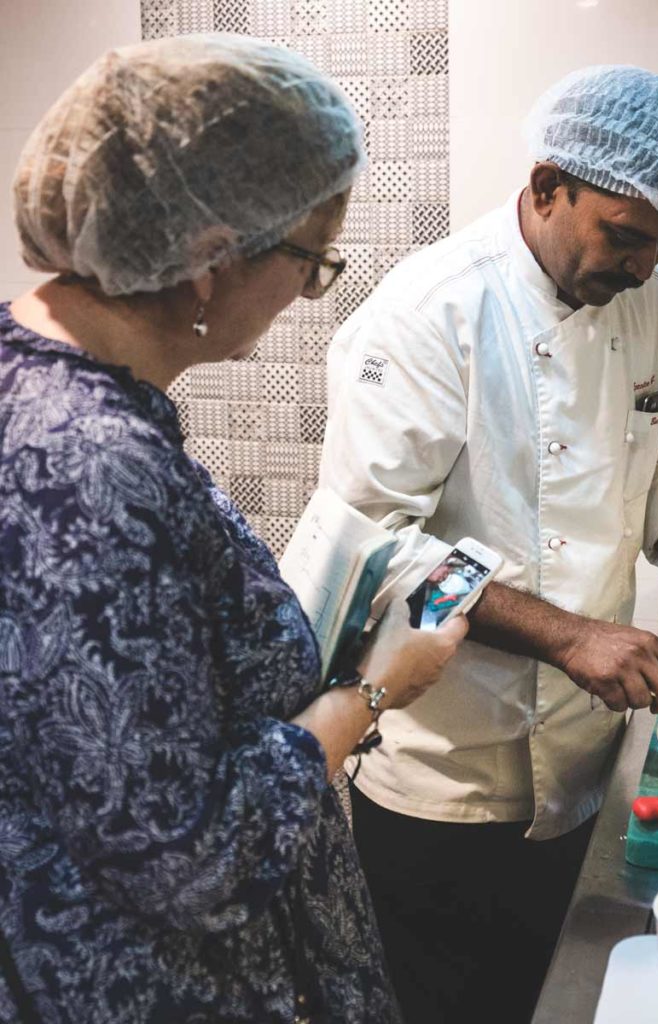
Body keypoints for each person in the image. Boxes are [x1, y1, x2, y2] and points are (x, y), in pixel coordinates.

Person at [0, 34, 468, 1024]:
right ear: (210, 262)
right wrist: (374, 688)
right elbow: (187, 858)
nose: (310, 291)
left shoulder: (45, 384)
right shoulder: (89, 467)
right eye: (310, 260)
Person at [319, 65, 658, 1023]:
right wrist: (569, 636)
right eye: (626, 236)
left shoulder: (643, 298)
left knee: (556, 999)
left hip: (588, 756)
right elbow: (373, 555)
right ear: (547, 184)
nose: (644, 266)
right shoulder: (428, 313)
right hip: (446, 771)